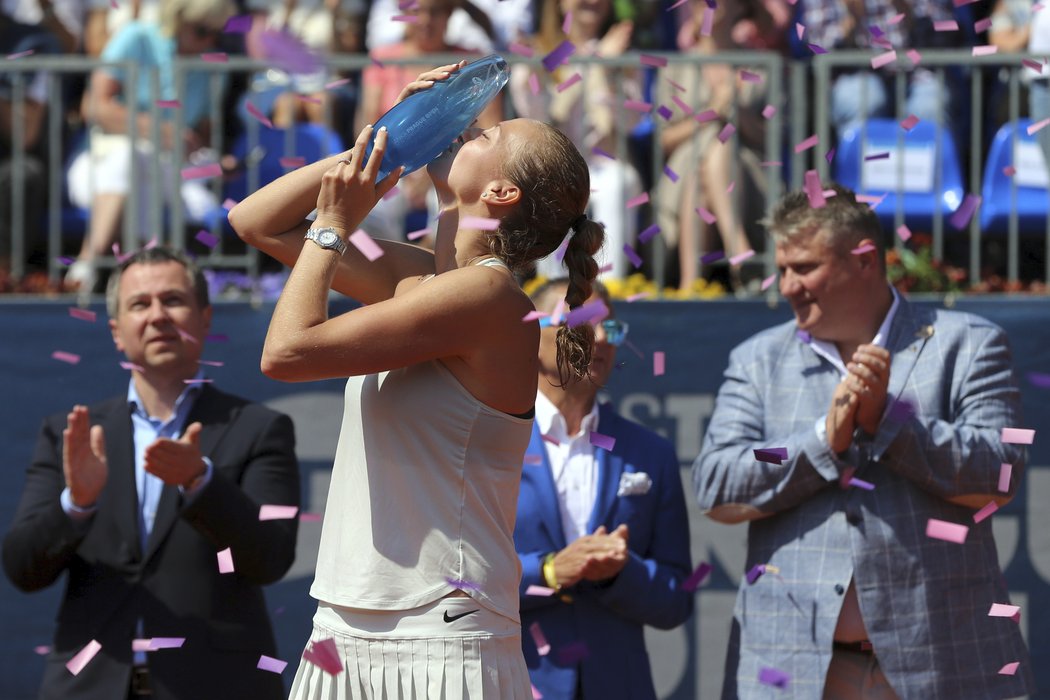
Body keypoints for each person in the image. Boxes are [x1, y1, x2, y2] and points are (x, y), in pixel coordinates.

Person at [228, 61, 605, 698]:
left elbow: (285, 353)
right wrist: (379, 144)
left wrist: (334, 226)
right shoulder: (419, 278)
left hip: (440, 635)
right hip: (344, 629)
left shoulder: (490, 300)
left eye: (484, 135)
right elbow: (256, 223)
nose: (464, 129)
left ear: (501, 194)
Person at [692, 183, 1033, 699]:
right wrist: (817, 442)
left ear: (866, 260)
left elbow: (1001, 474)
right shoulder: (757, 361)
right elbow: (718, 481)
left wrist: (891, 423)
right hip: (797, 674)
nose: (786, 286)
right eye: (782, 269)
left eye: (804, 268)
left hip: (944, 668)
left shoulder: (969, 344)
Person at [2, 246, 301, 700]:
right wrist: (77, 504)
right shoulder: (72, 435)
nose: (158, 316)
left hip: (218, 687)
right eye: (140, 304)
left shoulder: (259, 429)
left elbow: (270, 558)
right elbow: (23, 569)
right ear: (117, 332)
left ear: (205, 318)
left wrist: (201, 483)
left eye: (173, 300)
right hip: (88, 688)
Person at [515, 277, 693, 699]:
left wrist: (620, 572)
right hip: (513, 683)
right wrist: (550, 571)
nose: (599, 339)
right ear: (531, 336)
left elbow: (676, 600)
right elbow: (457, 577)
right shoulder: (486, 443)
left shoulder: (652, 453)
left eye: (610, 329)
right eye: (580, 324)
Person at [64, 0, 236, 296]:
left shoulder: (214, 66)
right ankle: (133, 283)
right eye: (202, 30)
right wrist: (158, 130)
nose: (210, 41)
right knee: (130, 159)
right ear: (178, 19)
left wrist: (217, 162)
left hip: (170, 175)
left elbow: (202, 139)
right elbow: (93, 106)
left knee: (144, 169)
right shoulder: (135, 37)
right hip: (99, 166)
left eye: (217, 34)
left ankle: (96, 277)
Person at [509, 0, 643, 280]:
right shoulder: (538, 50)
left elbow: (631, 122)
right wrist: (593, 64)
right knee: (551, 183)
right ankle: (555, 290)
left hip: (604, 162)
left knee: (616, 182)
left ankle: (610, 289)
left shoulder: (621, 53)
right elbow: (543, 117)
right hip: (554, 162)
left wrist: (607, 67)